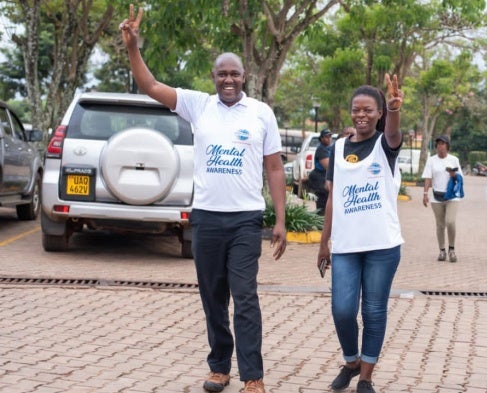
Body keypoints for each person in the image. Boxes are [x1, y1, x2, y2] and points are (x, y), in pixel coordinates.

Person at [120, 6, 287, 393]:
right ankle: (219, 367)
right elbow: (150, 86)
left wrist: (279, 220)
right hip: (208, 219)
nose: (228, 79)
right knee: (213, 297)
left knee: (245, 298)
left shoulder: (261, 113)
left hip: (246, 219)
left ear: (245, 77)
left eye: (234, 73)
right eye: (221, 73)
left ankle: (253, 375)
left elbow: (275, 169)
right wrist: (133, 48)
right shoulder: (198, 105)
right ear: (213, 78)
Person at [316, 74, 403, 393]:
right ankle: (351, 361)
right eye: (357, 109)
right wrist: (324, 243)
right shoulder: (338, 149)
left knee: (373, 310)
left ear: (379, 113)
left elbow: (393, 132)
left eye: (369, 110)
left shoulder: (386, 145)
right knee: (342, 309)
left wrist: (394, 109)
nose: (361, 115)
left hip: (383, 245)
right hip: (346, 246)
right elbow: (332, 200)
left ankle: (365, 376)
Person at [421, 135, 463, 262]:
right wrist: (425, 193)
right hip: (436, 197)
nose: (440, 146)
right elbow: (428, 177)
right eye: (438, 144)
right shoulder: (431, 160)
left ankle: (452, 249)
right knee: (440, 225)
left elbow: (460, 177)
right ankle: (442, 251)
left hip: (451, 197)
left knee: (450, 221)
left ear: (447, 146)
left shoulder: (454, 159)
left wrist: (454, 174)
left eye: (443, 144)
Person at [308, 128, 333, 215]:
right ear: (321, 138)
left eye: (330, 136)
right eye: (326, 137)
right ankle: (320, 223)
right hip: (320, 178)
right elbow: (328, 166)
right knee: (322, 204)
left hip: (324, 177)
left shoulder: (329, 148)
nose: (329, 138)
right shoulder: (321, 149)